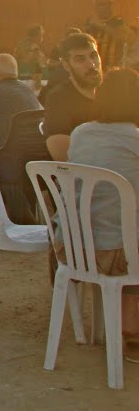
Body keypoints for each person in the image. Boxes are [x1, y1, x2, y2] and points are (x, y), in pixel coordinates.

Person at [63, 68, 139, 361]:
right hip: (117, 254)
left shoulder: (81, 133)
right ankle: (132, 330)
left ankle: (121, 323)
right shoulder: (133, 138)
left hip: (74, 248)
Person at [43, 32, 102, 161]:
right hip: (81, 176)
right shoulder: (58, 99)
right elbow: (61, 155)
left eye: (93, 56)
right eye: (80, 59)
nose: (91, 64)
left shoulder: (113, 92)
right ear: (66, 65)